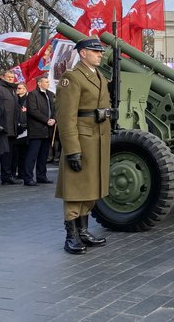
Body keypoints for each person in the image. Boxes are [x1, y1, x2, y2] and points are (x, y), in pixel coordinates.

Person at [55, 38, 110, 255]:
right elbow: (66, 117)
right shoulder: (72, 77)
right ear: (83, 53)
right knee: (76, 188)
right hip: (82, 139)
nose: (100, 54)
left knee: (91, 188)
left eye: (100, 52)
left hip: (97, 138)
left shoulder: (99, 76)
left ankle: (84, 231)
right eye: (96, 52)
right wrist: (72, 149)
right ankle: (72, 234)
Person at [24, 75, 56, 186]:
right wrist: (46, 120)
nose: (48, 84)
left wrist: (54, 119)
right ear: (39, 83)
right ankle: (28, 178)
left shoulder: (51, 95)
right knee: (32, 155)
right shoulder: (33, 94)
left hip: (48, 130)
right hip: (36, 130)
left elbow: (55, 109)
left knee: (43, 155)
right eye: (46, 82)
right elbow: (33, 111)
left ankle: (41, 176)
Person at [0, 69, 21, 185]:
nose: (11, 78)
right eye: (8, 77)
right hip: (3, 127)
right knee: (0, 154)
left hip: (12, 128)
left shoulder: (12, 89)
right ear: (3, 77)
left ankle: (7, 176)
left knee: (8, 153)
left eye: (12, 77)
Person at [13, 82, 29, 180]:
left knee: (23, 153)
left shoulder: (28, 100)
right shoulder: (14, 99)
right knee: (14, 153)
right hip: (15, 129)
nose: (18, 90)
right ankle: (13, 173)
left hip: (25, 129)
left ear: (25, 89)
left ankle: (22, 173)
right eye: (17, 88)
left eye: (20, 88)